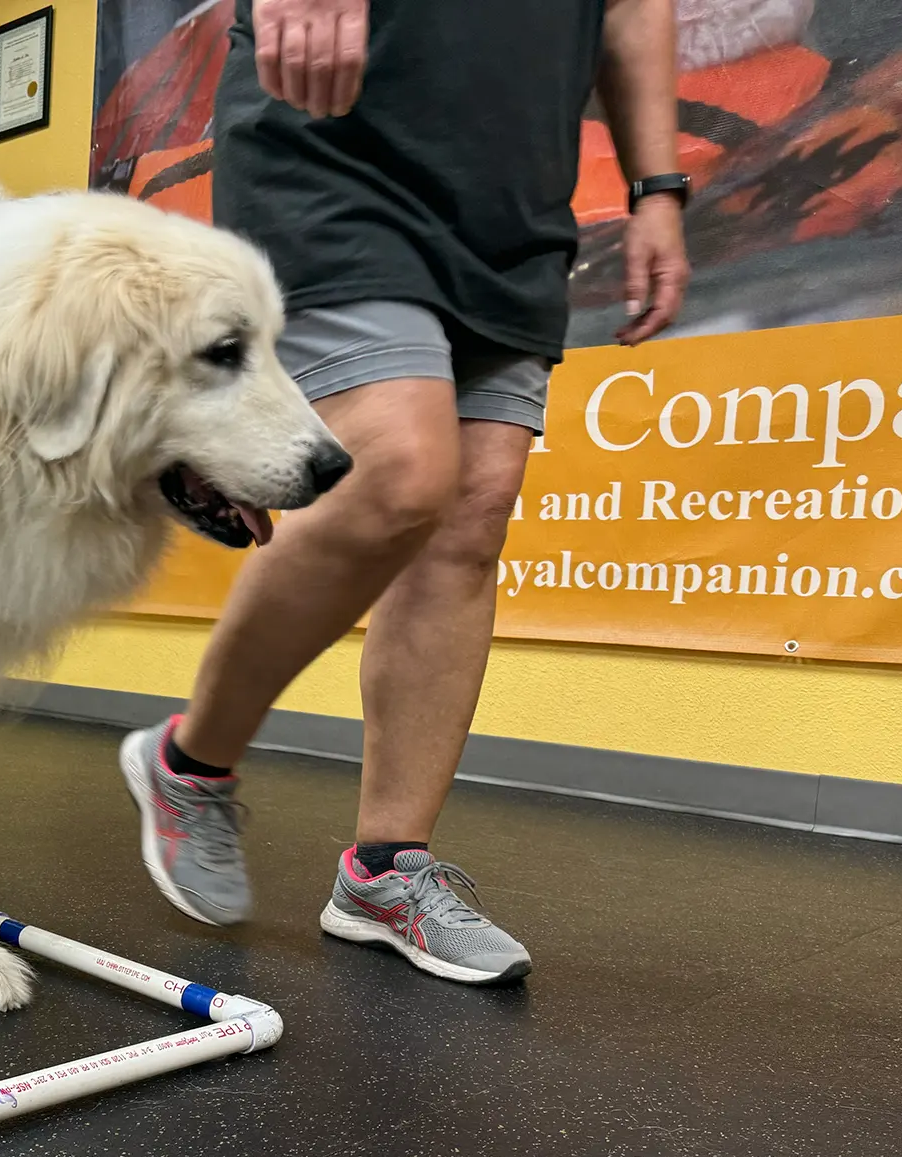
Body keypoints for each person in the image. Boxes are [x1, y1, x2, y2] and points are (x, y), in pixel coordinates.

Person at [121, 0, 690, 982]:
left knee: (470, 516)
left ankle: (386, 869)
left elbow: (635, 8)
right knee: (400, 468)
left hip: (510, 193)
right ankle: (191, 764)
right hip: (337, 139)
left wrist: (659, 188)